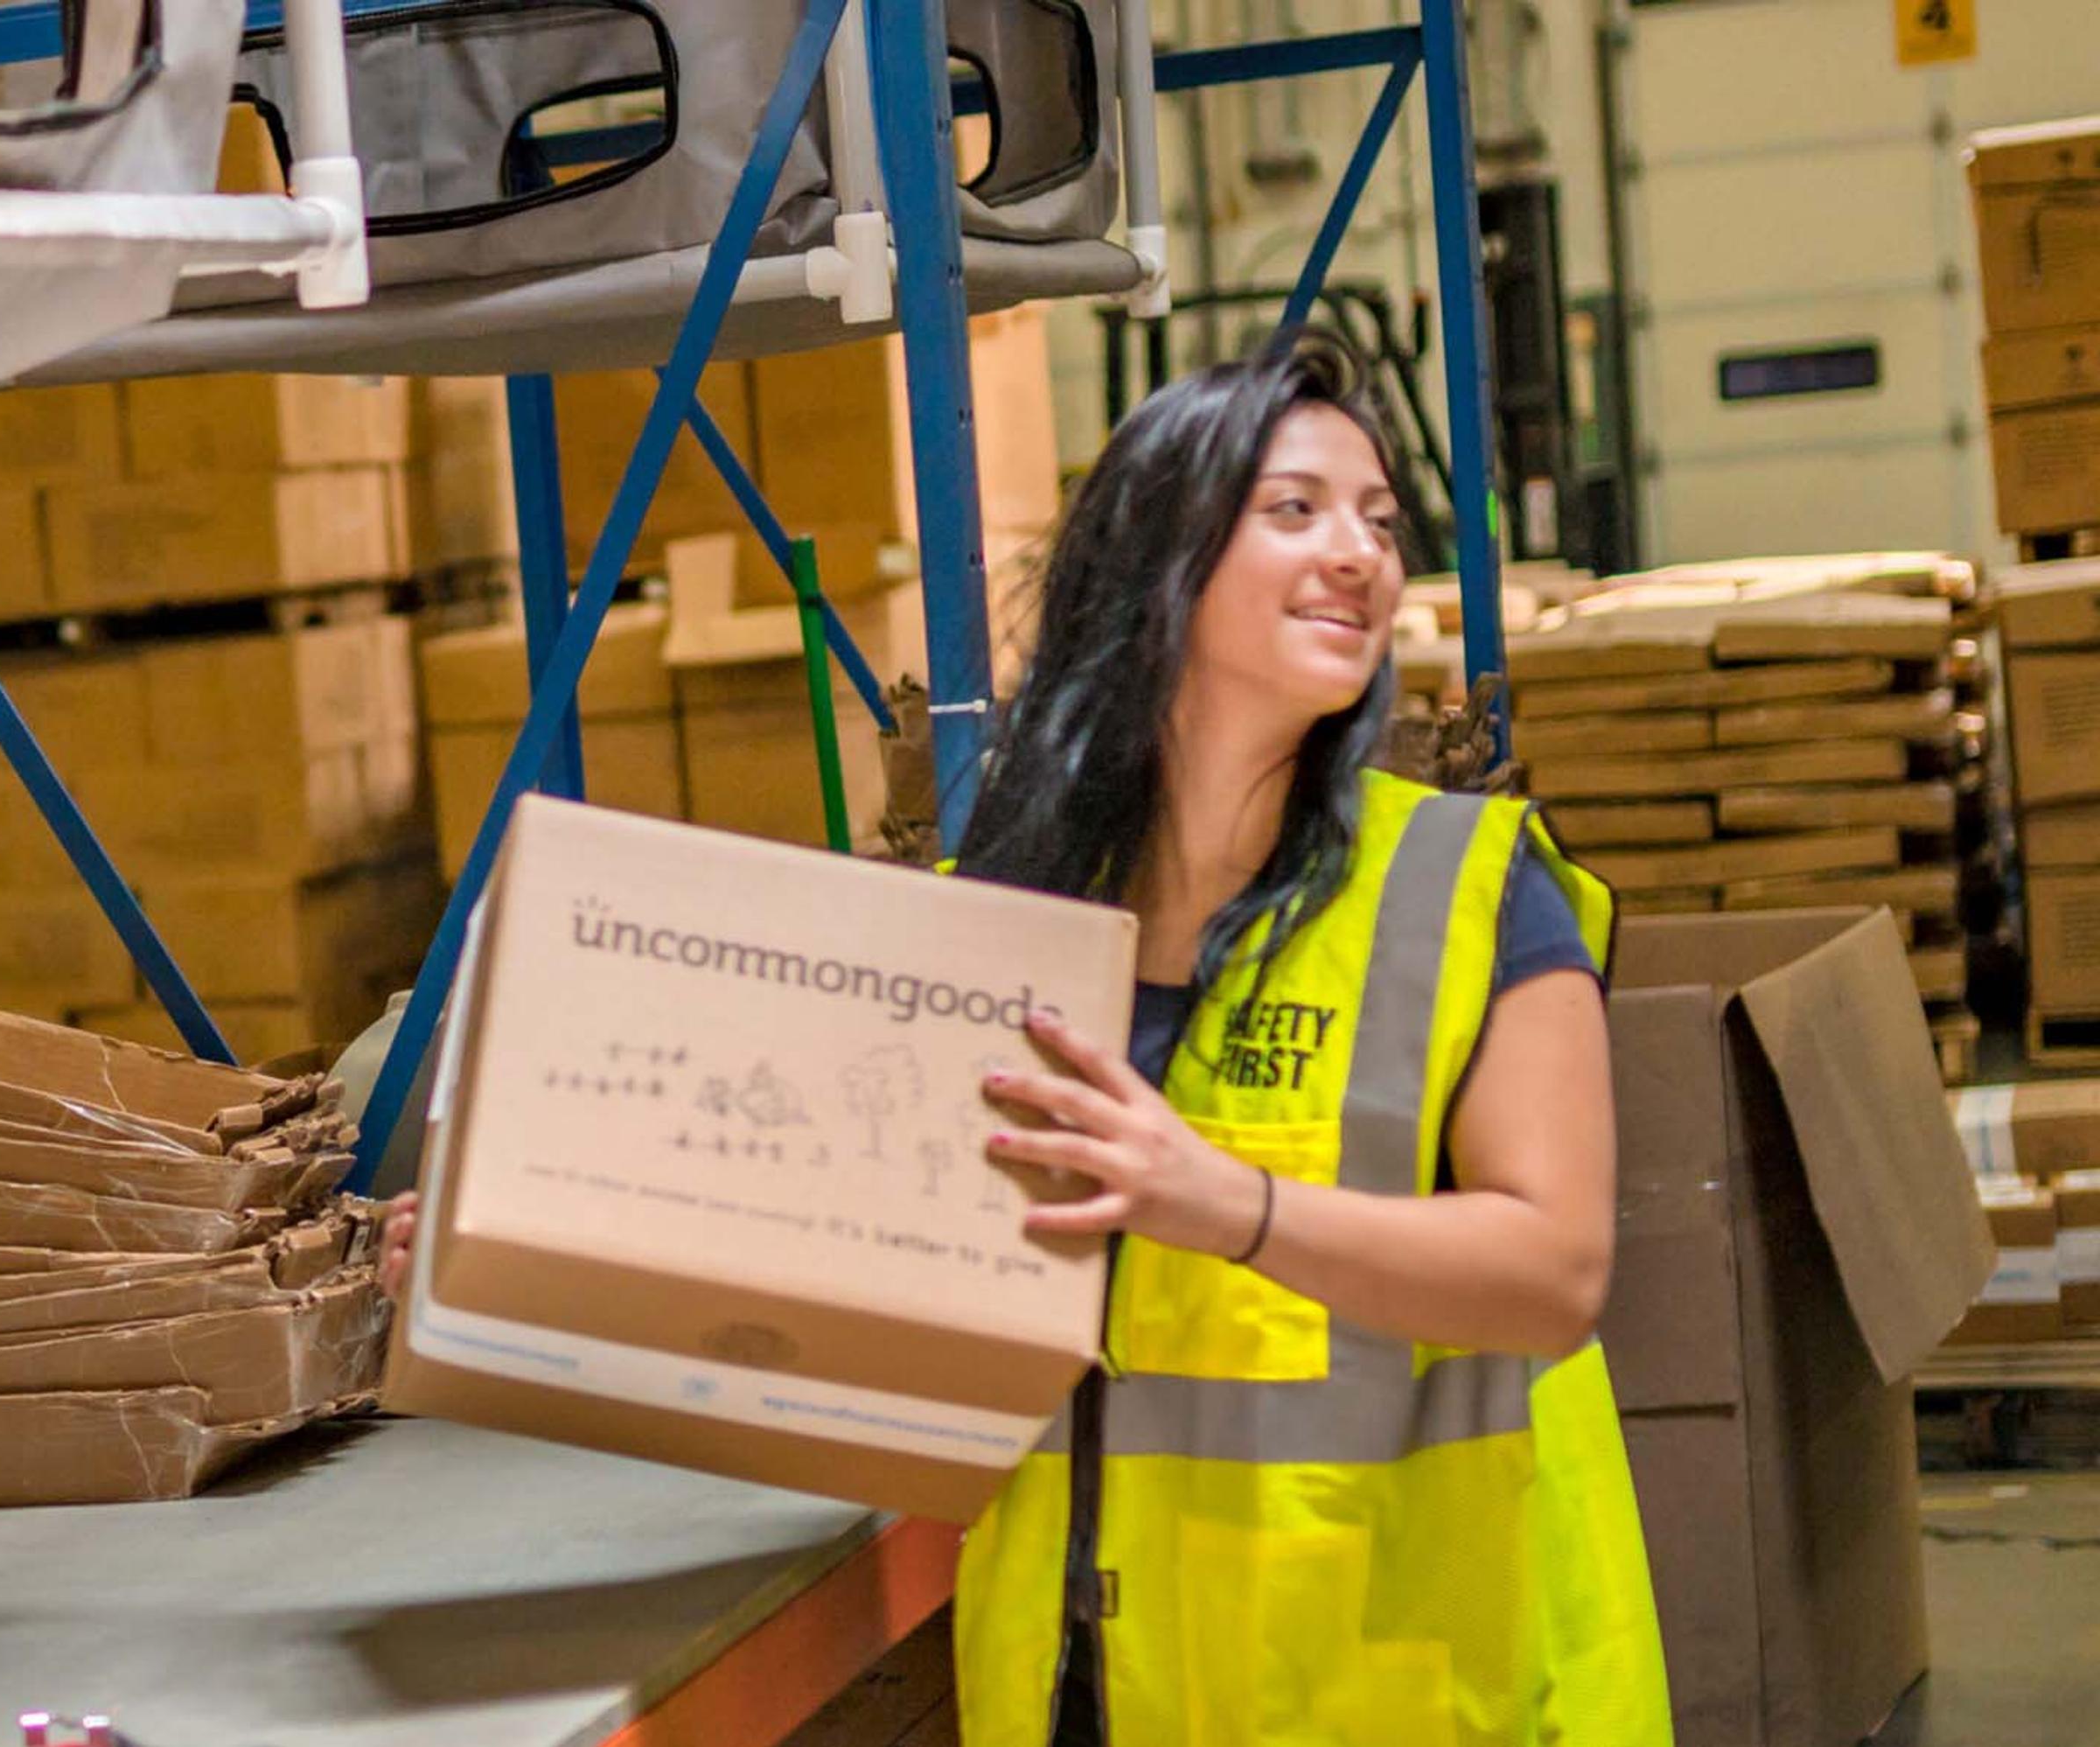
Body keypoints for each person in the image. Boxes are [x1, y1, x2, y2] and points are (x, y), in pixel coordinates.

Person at [380, 329, 1669, 1745]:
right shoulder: (992, 935)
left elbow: (1556, 1268)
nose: (1359, 552)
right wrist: (499, 1265)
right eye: (1294, 509)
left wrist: (1218, 1200)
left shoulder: (1468, 892)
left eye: (1378, 519)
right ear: (1158, 564)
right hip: (1085, 1689)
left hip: (1412, 1694)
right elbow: (823, 1281)